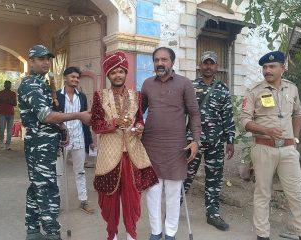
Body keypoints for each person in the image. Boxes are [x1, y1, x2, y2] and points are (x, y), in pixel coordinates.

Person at [18, 44, 91, 240]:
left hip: (46, 144)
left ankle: (33, 231)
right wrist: (78, 116)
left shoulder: (42, 83)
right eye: (41, 59)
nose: (46, 62)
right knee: (48, 188)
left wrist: (62, 129)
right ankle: (52, 234)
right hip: (38, 146)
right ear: (31, 61)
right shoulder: (31, 84)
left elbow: (52, 117)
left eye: (48, 59)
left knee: (37, 187)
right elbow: (46, 116)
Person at [239, 51, 301, 240]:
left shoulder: (292, 89)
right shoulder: (254, 91)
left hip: (288, 150)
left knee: (296, 193)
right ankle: (262, 235)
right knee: (262, 193)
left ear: (283, 68)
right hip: (263, 148)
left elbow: (298, 113)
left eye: (272, 67)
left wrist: (295, 140)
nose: (267, 70)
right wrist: (265, 130)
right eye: (264, 67)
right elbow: (244, 120)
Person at [91, 51, 158, 240]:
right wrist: (113, 123)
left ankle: (131, 234)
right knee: (109, 200)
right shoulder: (100, 96)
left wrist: (139, 128)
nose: (118, 75)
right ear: (108, 75)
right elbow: (96, 125)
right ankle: (111, 235)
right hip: (109, 156)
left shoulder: (136, 96)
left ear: (125, 73)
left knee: (132, 197)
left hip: (132, 154)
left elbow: (139, 120)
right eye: (113, 72)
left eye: (121, 71)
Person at [141, 47, 202, 240]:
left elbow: (194, 114)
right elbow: (138, 112)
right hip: (151, 144)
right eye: (157, 60)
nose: (160, 63)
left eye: (164, 60)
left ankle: (170, 233)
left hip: (177, 145)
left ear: (172, 62)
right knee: (153, 190)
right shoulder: (147, 84)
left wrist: (195, 140)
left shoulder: (184, 84)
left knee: (174, 192)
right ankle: (155, 231)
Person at [183, 51, 236, 231]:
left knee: (214, 178)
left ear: (216, 67)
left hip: (215, 142)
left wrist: (230, 139)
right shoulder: (190, 86)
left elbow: (228, 115)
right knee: (185, 176)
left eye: (211, 64)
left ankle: (212, 214)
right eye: (205, 63)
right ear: (200, 65)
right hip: (193, 141)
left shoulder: (222, 88)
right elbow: (181, 113)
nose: (208, 66)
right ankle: (173, 210)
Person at [54, 66, 95, 214]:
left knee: (80, 171)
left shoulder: (82, 97)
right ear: (65, 78)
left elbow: (85, 119)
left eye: (77, 77)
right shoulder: (57, 96)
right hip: (62, 139)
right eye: (72, 77)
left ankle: (83, 201)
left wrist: (89, 139)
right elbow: (53, 118)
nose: (75, 79)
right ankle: (56, 204)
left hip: (79, 138)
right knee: (58, 173)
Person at [0, 80, 17, 150]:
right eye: (6, 84)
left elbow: (15, 104)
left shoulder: (13, 93)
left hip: (11, 113)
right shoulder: (0, 93)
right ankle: (1, 142)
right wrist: (0, 99)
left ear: (10, 86)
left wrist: (10, 101)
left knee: (9, 130)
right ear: (4, 85)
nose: (8, 86)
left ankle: (8, 144)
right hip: (2, 113)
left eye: (9, 85)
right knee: (2, 129)